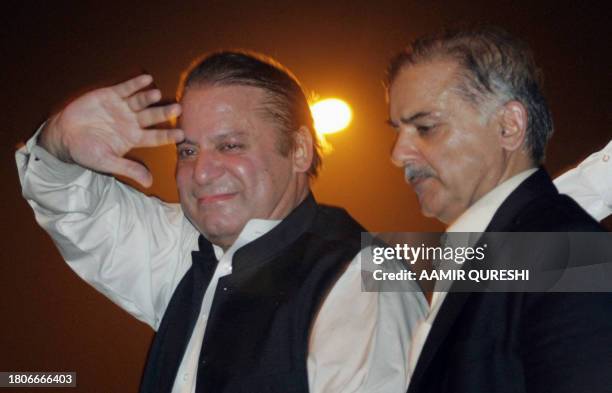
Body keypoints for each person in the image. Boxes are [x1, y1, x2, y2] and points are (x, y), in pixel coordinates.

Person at [16, 51, 428, 393]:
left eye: (229, 145)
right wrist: (59, 142)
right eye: (189, 151)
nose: (202, 172)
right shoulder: (186, 250)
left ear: (300, 150)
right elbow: (74, 206)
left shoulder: (363, 278)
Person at [386, 27, 612, 393]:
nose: (398, 154)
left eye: (426, 127)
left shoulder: (565, 256)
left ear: (509, 126)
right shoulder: (497, 251)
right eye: (397, 131)